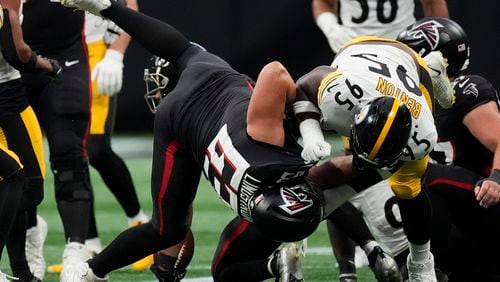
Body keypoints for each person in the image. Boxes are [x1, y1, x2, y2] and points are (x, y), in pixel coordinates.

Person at [57, 1, 324, 281]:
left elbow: (275, 72)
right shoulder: (257, 200)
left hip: (193, 105)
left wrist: (310, 129)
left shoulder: (276, 149)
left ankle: (92, 271)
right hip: (201, 123)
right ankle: (93, 272)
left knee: (166, 228)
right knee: (173, 234)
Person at [20, 0, 93, 273]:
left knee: (68, 151)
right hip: (13, 59)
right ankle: (30, 236)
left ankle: (76, 250)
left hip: (65, 55)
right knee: (20, 163)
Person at [0, 0, 61, 280]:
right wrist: (48, 65)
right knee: (19, 181)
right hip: (8, 98)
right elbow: (16, 52)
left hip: (12, 98)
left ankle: (22, 272)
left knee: (21, 186)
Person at [311, 0, 449, 55]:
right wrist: (332, 30)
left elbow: (433, 3)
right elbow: (322, 2)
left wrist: (439, 49)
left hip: (402, 50)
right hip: (353, 50)